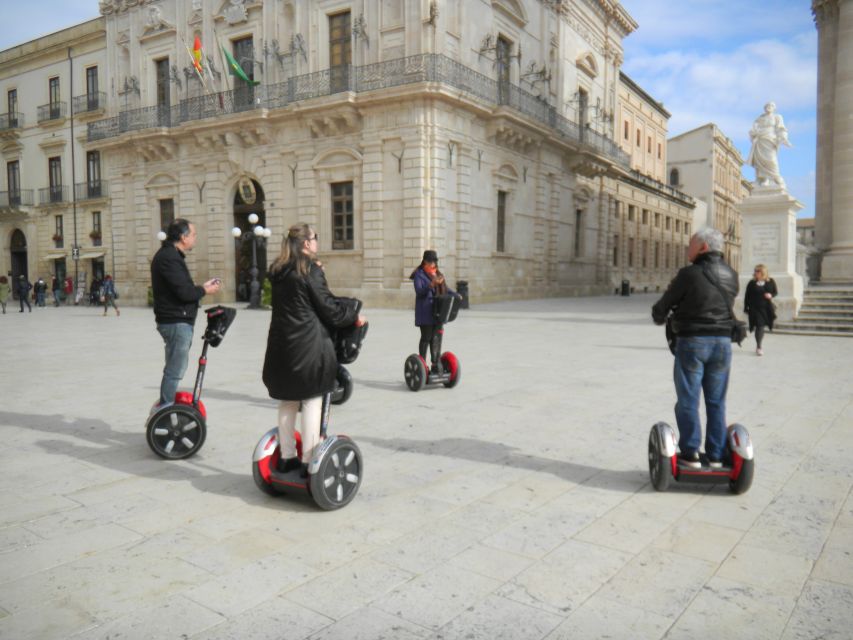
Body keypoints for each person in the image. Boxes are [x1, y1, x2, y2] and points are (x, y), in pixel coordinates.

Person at [262, 223, 366, 475]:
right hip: (308, 346)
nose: (317, 242)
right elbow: (329, 309)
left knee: (288, 399)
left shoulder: (277, 270)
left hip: (282, 345)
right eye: (315, 238)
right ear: (307, 243)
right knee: (311, 399)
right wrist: (353, 314)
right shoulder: (309, 270)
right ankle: (309, 460)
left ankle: (287, 457)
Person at [652, 227, 739, 468]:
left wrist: (660, 315)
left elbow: (663, 307)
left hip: (693, 342)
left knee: (688, 398)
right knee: (716, 401)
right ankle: (715, 454)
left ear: (703, 247)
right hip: (722, 344)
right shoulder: (732, 274)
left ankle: (690, 452)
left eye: (691, 243)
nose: (687, 248)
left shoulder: (689, 274)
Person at [151, 218, 221, 409]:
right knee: (175, 370)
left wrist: (202, 287)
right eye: (193, 234)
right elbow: (184, 292)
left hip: (177, 320)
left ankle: (166, 407)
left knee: (174, 368)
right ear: (183, 237)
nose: (195, 238)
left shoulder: (172, 256)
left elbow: (183, 288)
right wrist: (205, 290)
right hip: (175, 322)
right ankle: (165, 409)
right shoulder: (169, 258)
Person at [410, 249, 457, 374]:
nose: (434, 264)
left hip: (437, 312)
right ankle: (422, 364)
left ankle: (436, 363)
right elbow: (419, 291)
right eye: (431, 262)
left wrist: (456, 294)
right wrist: (431, 284)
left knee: (436, 338)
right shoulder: (419, 275)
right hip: (425, 312)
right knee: (426, 337)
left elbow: (445, 289)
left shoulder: (437, 274)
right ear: (425, 262)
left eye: (435, 262)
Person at [747, 101, 791, 188]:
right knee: (759, 161)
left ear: (774, 108)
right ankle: (764, 179)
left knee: (771, 159)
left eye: (771, 105)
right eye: (767, 105)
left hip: (770, 139)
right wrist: (753, 133)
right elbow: (754, 128)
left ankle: (777, 178)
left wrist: (783, 137)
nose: (768, 107)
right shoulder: (760, 118)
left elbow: (781, 128)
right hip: (760, 140)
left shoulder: (777, 117)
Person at [744, 264, 777, 357]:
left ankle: (759, 345)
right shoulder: (751, 283)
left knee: (761, 327)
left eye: (758, 271)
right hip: (755, 308)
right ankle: (759, 347)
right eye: (755, 271)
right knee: (759, 326)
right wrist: (746, 307)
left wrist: (771, 295)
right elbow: (747, 296)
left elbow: (775, 292)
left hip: (766, 308)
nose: (755, 273)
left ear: (763, 272)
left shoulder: (771, 281)